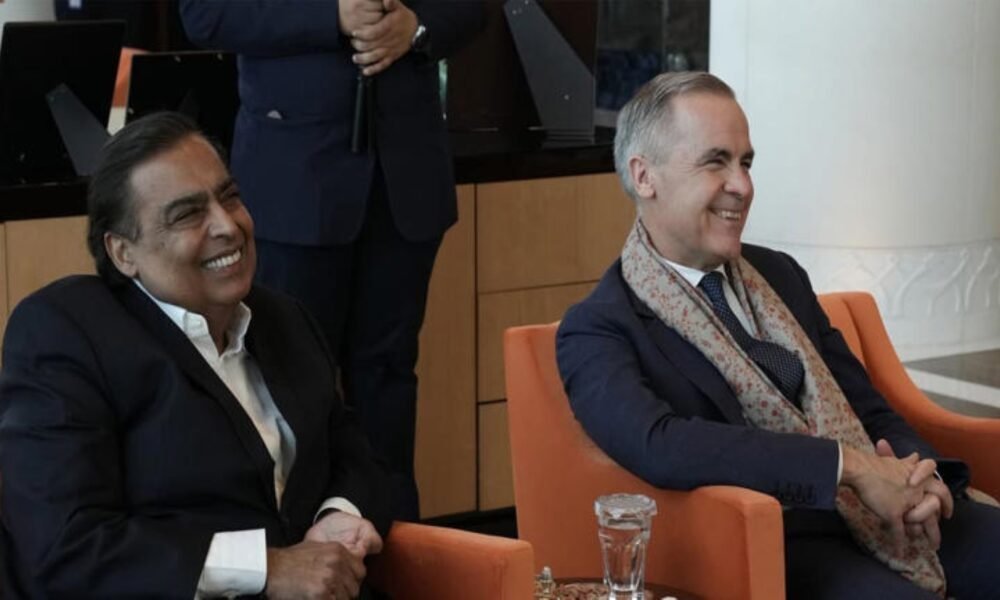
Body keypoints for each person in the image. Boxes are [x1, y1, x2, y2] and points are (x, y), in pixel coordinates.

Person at [556, 72, 1000, 599]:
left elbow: (867, 407)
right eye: (716, 161)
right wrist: (848, 469)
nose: (742, 186)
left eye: (745, 163)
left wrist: (920, 479)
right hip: (782, 541)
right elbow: (662, 445)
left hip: (897, 513)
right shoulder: (599, 328)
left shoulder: (780, 275)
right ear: (644, 176)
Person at [0, 112, 391, 599]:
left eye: (229, 197)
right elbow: (66, 546)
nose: (228, 226)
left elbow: (354, 452)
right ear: (123, 253)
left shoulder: (283, 317)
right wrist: (267, 568)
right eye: (187, 215)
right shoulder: (67, 333)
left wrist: (338, 515)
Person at [179, 0, 486, 521]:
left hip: (405, 177)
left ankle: (393, 538)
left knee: (388, 378)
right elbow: (206, 14)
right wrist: (334, 16)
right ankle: (298, 542)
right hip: (295, 181)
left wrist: (417, 27)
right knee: (289, 379)